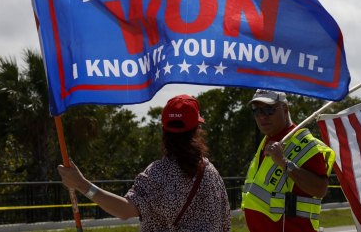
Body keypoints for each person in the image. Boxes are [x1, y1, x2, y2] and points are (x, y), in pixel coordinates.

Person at [58, 94, 231, 232]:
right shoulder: (212, 174)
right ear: (197, 130)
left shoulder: (157, 174)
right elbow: (225, 223)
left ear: (164, 131)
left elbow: (124, 210)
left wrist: (81, 184)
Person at [241, 89, 335, 232]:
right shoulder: (266, 141)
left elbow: (320, 189)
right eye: (257, 111)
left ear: (285, 109)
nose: (262, 117)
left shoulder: (306, 144)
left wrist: (284, 163)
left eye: (268, 110)